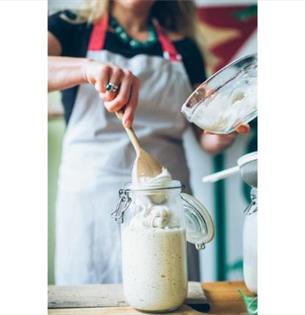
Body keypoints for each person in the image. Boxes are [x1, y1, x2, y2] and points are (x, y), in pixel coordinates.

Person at [48, 0, 249, 285]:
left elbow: (204, 137)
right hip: (92, 205)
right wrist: (86, 68)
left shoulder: (184, 49)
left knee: (170, 291)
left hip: (168, 201)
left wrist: (220, 129)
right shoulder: (70, 27)